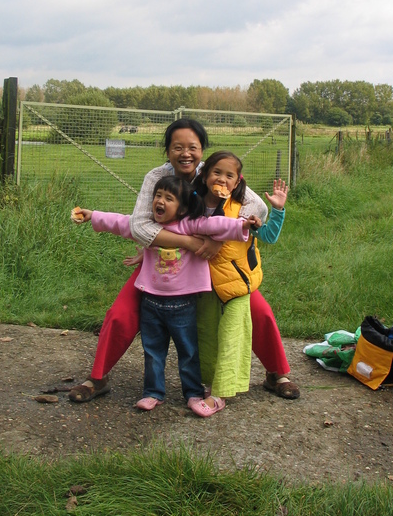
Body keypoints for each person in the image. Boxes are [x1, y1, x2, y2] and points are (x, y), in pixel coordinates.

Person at [68, 117, 300, 403]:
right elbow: (140, 226)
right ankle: (97, 378)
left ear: (202, 149)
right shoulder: (157, 178)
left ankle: (277, 373)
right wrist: (189, 242)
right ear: (168, 151)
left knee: (257, 309)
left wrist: (218, 239)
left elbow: (258, 207)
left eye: (193, 147)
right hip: (166, 263)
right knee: (121, 313)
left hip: (214, 266)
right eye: (177, 147)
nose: (185, 153)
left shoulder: (215, 173)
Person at [72, 176, 255, 412]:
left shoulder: (191, 224)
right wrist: (93, 215)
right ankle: (153, 392)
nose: (160, 201)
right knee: (153, 351)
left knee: (188, 352)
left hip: (184, 304)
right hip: (151, 302)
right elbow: (120, 223)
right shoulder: (149, 229)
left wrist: (242, 226)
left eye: (169, 198)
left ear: (183, 207)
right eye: (158, 196)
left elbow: (216, 225)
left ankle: (193, 392)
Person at [192, 151, 288, 416]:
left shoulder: (243, 210)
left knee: (233, 336)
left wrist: (278, 209)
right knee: (207, 336)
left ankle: (220, 394)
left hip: (237, 285)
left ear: (237, 183)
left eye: (229, 175)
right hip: (205, 286)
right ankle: (207, 385)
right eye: (216, 173)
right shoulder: (193, 204)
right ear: (204, 175)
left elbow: (267, 236)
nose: (221, 179)